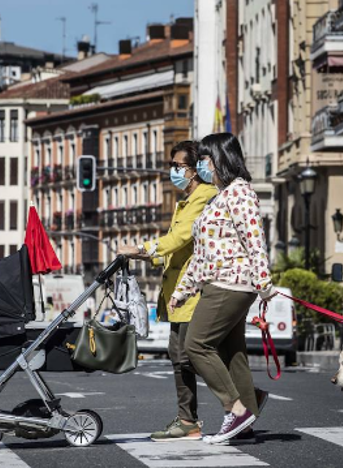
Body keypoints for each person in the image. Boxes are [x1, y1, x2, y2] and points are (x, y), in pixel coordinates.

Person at [170, 133, 276, 445]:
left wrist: (264, 281)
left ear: (218, 159)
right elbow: (204, 251)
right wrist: (183, 289)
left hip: (230, 283)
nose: (199, 165)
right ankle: (247, 420)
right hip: (220, 281)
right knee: (233, 354)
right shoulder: (221, 195)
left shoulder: (240, 193)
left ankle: (237, 409)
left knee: (197, 344)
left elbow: (254, 239)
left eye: (203, 159)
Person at [118, 141, 217, 441]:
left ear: (193, 169)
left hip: (194, 291)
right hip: (178, 293)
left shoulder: (205, 197)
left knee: (192, 355)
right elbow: (177, 248)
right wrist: (147, 255)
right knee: (180, 355)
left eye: (178, 166)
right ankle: (189, 419)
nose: (173, 171)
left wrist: (143, 248)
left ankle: (243, 401)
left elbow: (180, 237)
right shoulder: (185, 201)